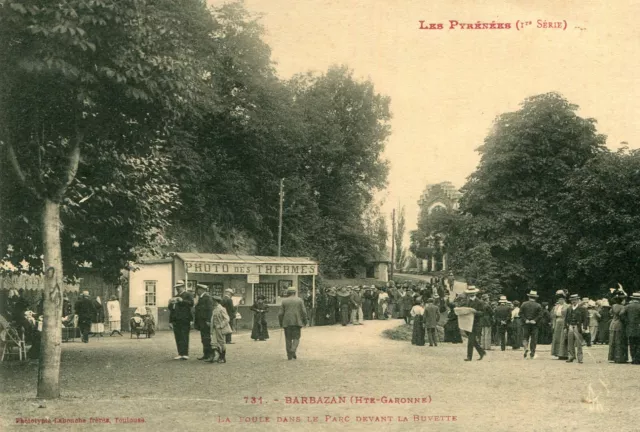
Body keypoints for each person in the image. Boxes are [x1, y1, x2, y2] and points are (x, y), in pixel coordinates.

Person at [278, 286, 308, 360]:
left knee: (288, 339)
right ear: (295, 292)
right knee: (296, 338)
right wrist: (305, 321)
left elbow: (280, 314)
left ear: (288, 293)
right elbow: (304, 312)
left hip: (287, 322)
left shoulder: (284, 301)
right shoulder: (300, 300)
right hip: (297, 322)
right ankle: (293, 350)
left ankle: (289, 355)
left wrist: (281, 322)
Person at [168, 282, 194, 360]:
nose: (177, 289)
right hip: (176, 319)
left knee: (184, 336)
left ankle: (185, 353)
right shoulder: (175, 296)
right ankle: (180, 353)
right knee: (178, 336)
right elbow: (171, 309)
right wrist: (170, 303)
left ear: (183, 287)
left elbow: (191, 304)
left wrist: (182, 301)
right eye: (176, 287)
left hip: (185, 319)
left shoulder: (188, 295)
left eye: (179, 287)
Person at [462, 286, 487, 361]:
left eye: (472, 293)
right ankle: (481, 352)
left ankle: (469, 357)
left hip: (475, 323)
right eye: (470, 293)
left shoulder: (480, 302)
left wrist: (475, 312)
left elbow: (483, 313)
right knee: (472, 340)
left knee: (470, 340)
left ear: (475, 293)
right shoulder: (466, 301)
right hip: (467, 323)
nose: (471, 294)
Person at [208, 295, 232, 363]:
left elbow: (227, 319)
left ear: (216, 301)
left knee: (221, 343)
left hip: (220, 329)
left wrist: (221, 325)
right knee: (213, 343)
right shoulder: (215, 309)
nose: (211, 302)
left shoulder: (222, 309)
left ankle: (222, 357)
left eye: (212, 301)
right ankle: (218, 356)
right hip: (215, 329)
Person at [565, 294, 588, 364]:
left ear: (578, 300)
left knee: (579, 343)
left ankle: (580, 358)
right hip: (570, 326)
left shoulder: (582, 309)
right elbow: (566, 319)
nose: (573, 301)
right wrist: (565, 327)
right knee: (570, 342)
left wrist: (584, 327)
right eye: (572, 300)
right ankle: (571, 356)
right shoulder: (569, 308)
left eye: (575, 300)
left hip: (578, 326)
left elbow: (585, 319)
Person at [520, 290, 543, 359]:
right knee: (534, 339)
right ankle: (532, 353)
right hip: (535, 325)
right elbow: (540, 315)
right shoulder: (538, 305)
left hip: (526, 323)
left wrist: (525, 320)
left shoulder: (524, 304)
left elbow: (520, 313)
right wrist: (535, 320)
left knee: (525, 337)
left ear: (529, 297)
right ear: (535, 298)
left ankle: (526, 348)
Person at [194, 284, 214, 361]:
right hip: (202, 322)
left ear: (201, 290)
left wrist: (208, 320)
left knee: (207, 338)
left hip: (205, 322)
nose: (197, 291)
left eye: (197, 290)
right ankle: (206, 354)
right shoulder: (201, 298)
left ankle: (210, 355)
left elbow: (209, 310)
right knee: (204, 338)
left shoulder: (207, 298)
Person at [608, 292, 628, 364]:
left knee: (612, 341)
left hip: (612, 324)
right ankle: (619, 358)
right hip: (620, 324)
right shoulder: (623, 307)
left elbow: (610, 313)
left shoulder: (613, 306)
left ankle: (612, 357)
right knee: (619, 341)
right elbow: (621, 315)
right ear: (622, 300)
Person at [621, 292, 640, 364]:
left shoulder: (627, 306)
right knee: (638, 344)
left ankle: (634, 359)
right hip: (638, 327)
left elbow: (621, 315)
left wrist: (627, 322)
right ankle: (638, 359)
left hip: (630, 327)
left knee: (632, 344)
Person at [551, 290, 570, 359]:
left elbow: (568, 316)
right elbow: (553, 316)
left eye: (561, 299)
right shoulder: (556, 307)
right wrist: (553, 324)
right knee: (557, 338)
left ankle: (564, 354)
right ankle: (557, 353)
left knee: (563, 337)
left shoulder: (567, 306)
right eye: (559, 299)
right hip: (557, 322)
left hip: (564, 322)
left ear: (564, 299)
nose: (560, 300)